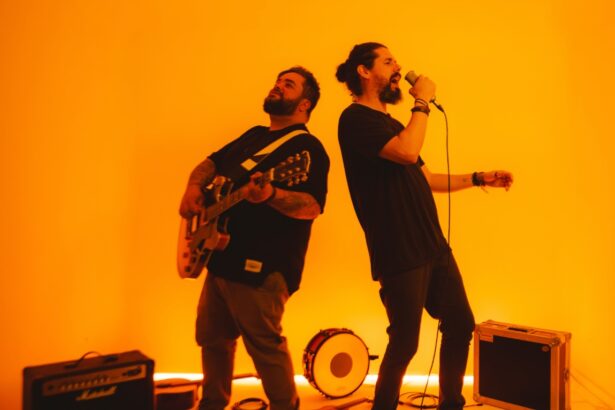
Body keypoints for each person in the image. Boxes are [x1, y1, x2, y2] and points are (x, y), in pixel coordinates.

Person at [335, 42, 513, 410]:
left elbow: (427, 178)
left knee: (460, 324)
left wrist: (479, 178)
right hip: (399, 249)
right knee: (405, 342)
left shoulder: (393, 125)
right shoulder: (354, 119)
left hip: (433, 246)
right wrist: (422, 101)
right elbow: (407, 152)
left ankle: (451, 404)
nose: (398, 67)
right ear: (364, 71)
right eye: (388, 61)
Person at [179, 66, 329, 410]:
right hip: (221, 258)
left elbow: (312, 206)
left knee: (264, 347)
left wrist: (272, 194)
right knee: (212, 339)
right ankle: (212, 403)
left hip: (263, 264)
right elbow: (211, 163)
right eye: (277, 81)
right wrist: (193, 187)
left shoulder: (307, 149)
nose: (278, 86)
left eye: (288, 84)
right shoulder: (254, 135)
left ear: (304, 104)